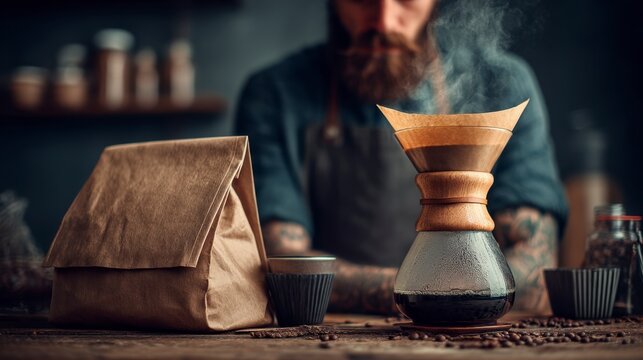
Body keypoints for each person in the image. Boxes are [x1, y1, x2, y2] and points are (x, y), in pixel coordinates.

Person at [235, 0, 567, 314]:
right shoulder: (274, 94)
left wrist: (423, 297)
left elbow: (535, 267)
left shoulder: (501, 85)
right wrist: (431, 294)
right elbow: (281, 263)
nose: (384, 21)